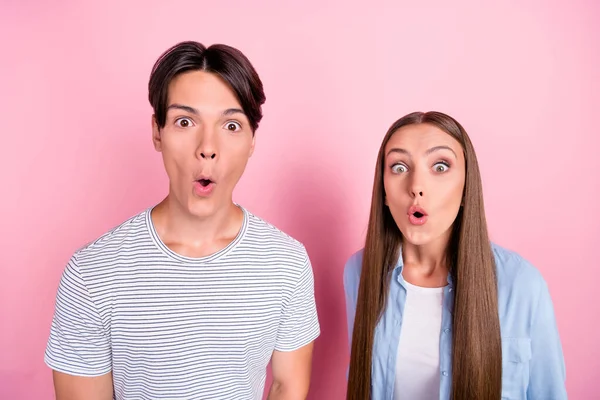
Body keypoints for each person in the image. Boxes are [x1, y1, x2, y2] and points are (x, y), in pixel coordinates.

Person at [45, 41, 320, 400]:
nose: (207, 146)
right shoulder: (93, 272)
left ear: (252, 140)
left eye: (231, 125)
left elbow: (287, 385)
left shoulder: (287, 263)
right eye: (185, 122)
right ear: (157, 132)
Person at [343, 111, 566, 399]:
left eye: (439, 166)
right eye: (399, 167)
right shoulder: (359, 272)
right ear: (383, 191)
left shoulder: (521, 283)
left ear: (465, 188)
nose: (416, 187)